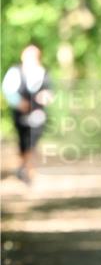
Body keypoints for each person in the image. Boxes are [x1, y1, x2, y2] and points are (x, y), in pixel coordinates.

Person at [2, 43, 52, 184]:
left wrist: (46, 97)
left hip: (38, 113)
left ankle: (28, 169)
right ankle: (23, 166)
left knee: (34, 140)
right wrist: (19, 103)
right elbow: (8, 90)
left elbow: (50, 92)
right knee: (23, 140)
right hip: (20, 113)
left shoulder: (43, 72)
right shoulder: (15, 71)